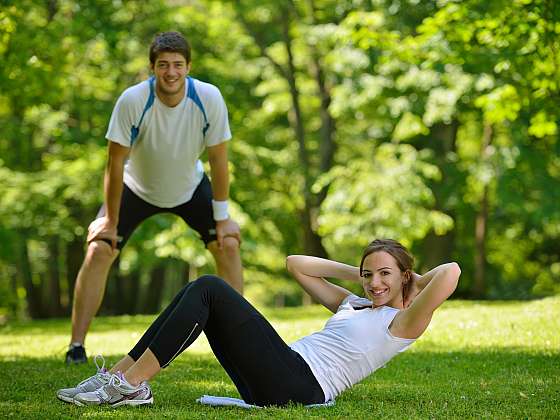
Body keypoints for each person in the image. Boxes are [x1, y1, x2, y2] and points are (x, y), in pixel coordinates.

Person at [57, 239, 461, 407]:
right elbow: (296, 266)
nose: (376, 283)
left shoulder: (403, 322)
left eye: (385, 275)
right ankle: (119, 376)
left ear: (404, 277)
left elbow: (451, 272)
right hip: (279, 374)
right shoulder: (354, 303)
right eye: (370, 274)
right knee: (197, 291)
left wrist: (411, 278)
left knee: (211, 288)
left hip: (301, 384)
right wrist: (360, 272)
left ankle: (129, 388)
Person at [65, 31, 243, 365]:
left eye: (178, 64)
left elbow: (219, 160)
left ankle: (243, 342)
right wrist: (110, 221)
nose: (171, 72)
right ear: (152, 68)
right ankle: (76, 346)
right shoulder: (133, 101)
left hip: (189, 188)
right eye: (163, 65)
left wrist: (222, 217)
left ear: (188, 67)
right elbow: (114, 163)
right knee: (98, 249)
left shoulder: (209, 97)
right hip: (136, 188)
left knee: (229, 243)